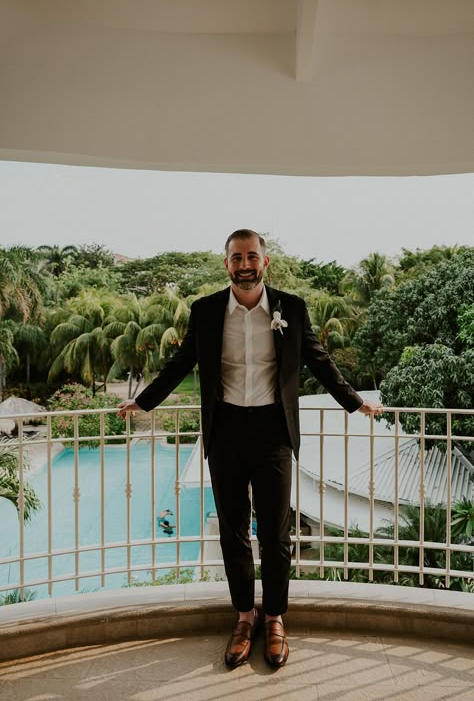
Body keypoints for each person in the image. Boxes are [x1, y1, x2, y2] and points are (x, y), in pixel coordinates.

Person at [118, 229, 382, 669]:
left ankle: (275, 618)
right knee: (233, 530)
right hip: (224, 431)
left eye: (252, 256)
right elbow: (180, 363)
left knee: (276, 534)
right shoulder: (205, 312)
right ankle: (244, 617)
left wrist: (355, 402)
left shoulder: (291, 309)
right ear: (226, 264)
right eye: (237, 257)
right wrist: (143, 400)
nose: (245, 264)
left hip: (274, 430)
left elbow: (318, 359)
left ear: (265, 262)